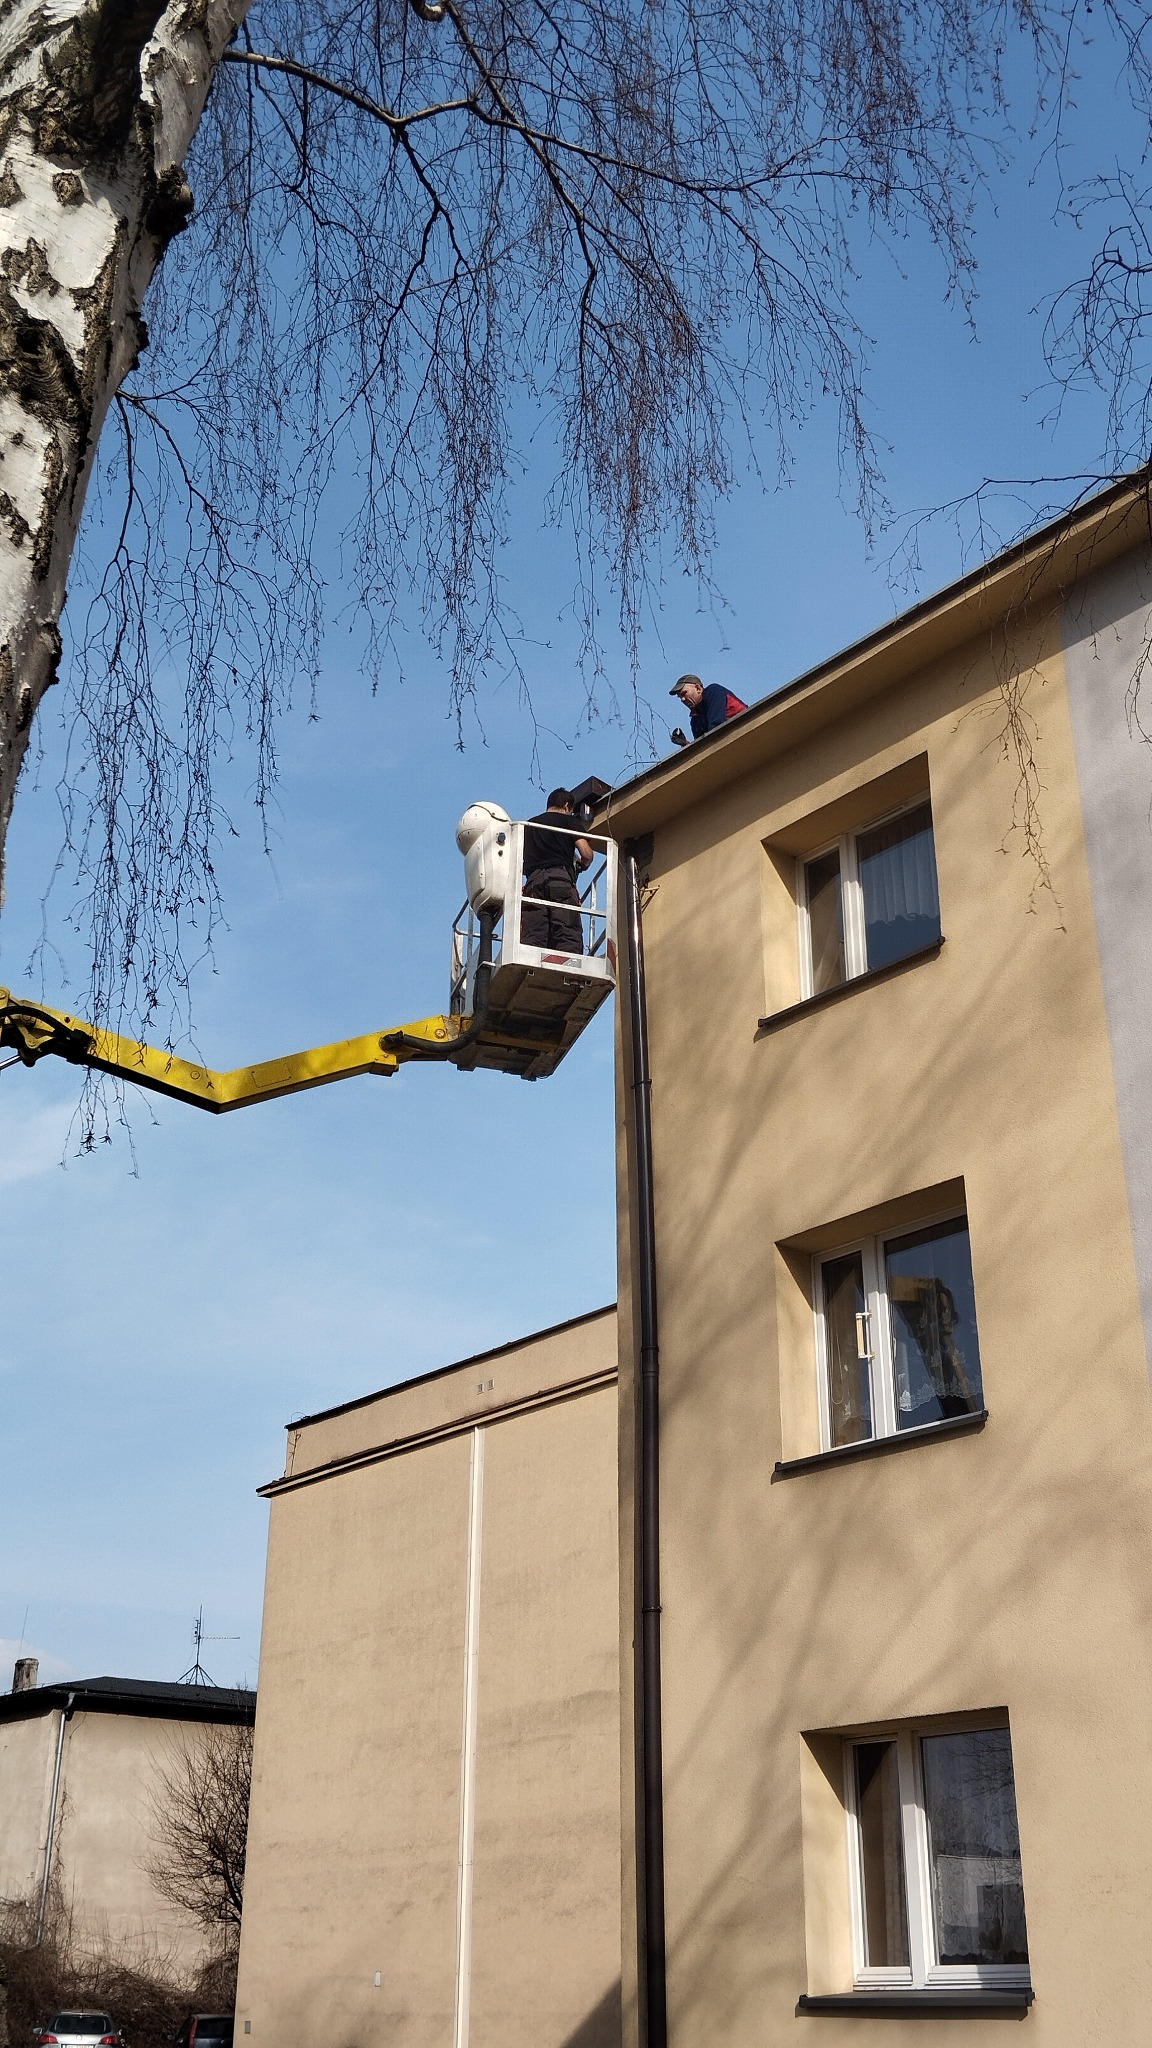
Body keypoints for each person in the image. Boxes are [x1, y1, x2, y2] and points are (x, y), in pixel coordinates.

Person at [520, 789, 594, 952]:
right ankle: (568, 973)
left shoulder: (528, 826)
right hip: (559, 879)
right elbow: (587, 854)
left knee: (533, 936)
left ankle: (531, 970)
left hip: (533, 883)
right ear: (567, 806)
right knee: (567, 934)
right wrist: (583, 864)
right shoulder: (568, 821)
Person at [669, 673, 747, 746]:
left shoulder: (713, 692)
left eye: (684, 693)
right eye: (680, 697)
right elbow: (702, 746)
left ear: (698, 688)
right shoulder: (695, 719)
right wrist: (685, 743)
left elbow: (717, 727)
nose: (682, 699)